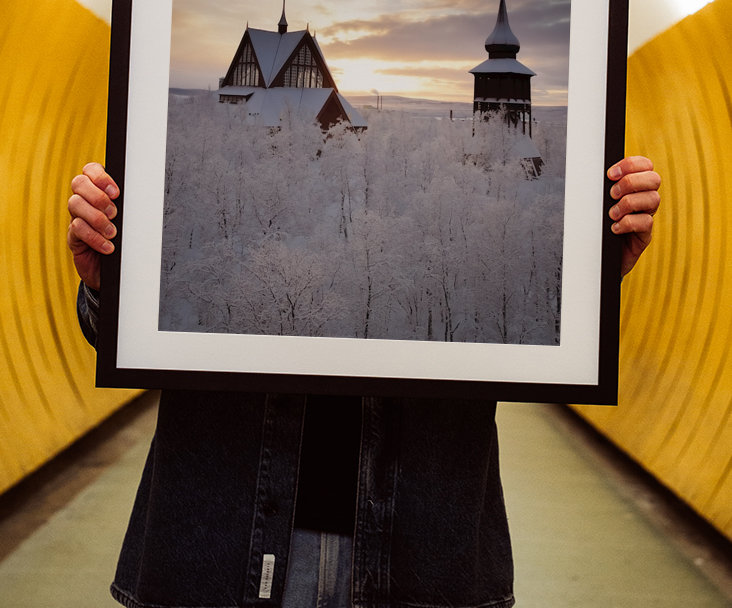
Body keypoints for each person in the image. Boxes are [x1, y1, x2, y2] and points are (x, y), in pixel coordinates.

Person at [68, 156, 661, 608]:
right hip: (220, 540)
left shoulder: (456, 202)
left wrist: (583, 277)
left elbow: (517, 319)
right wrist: (111, 286)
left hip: (422, 549)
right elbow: (133, 334)